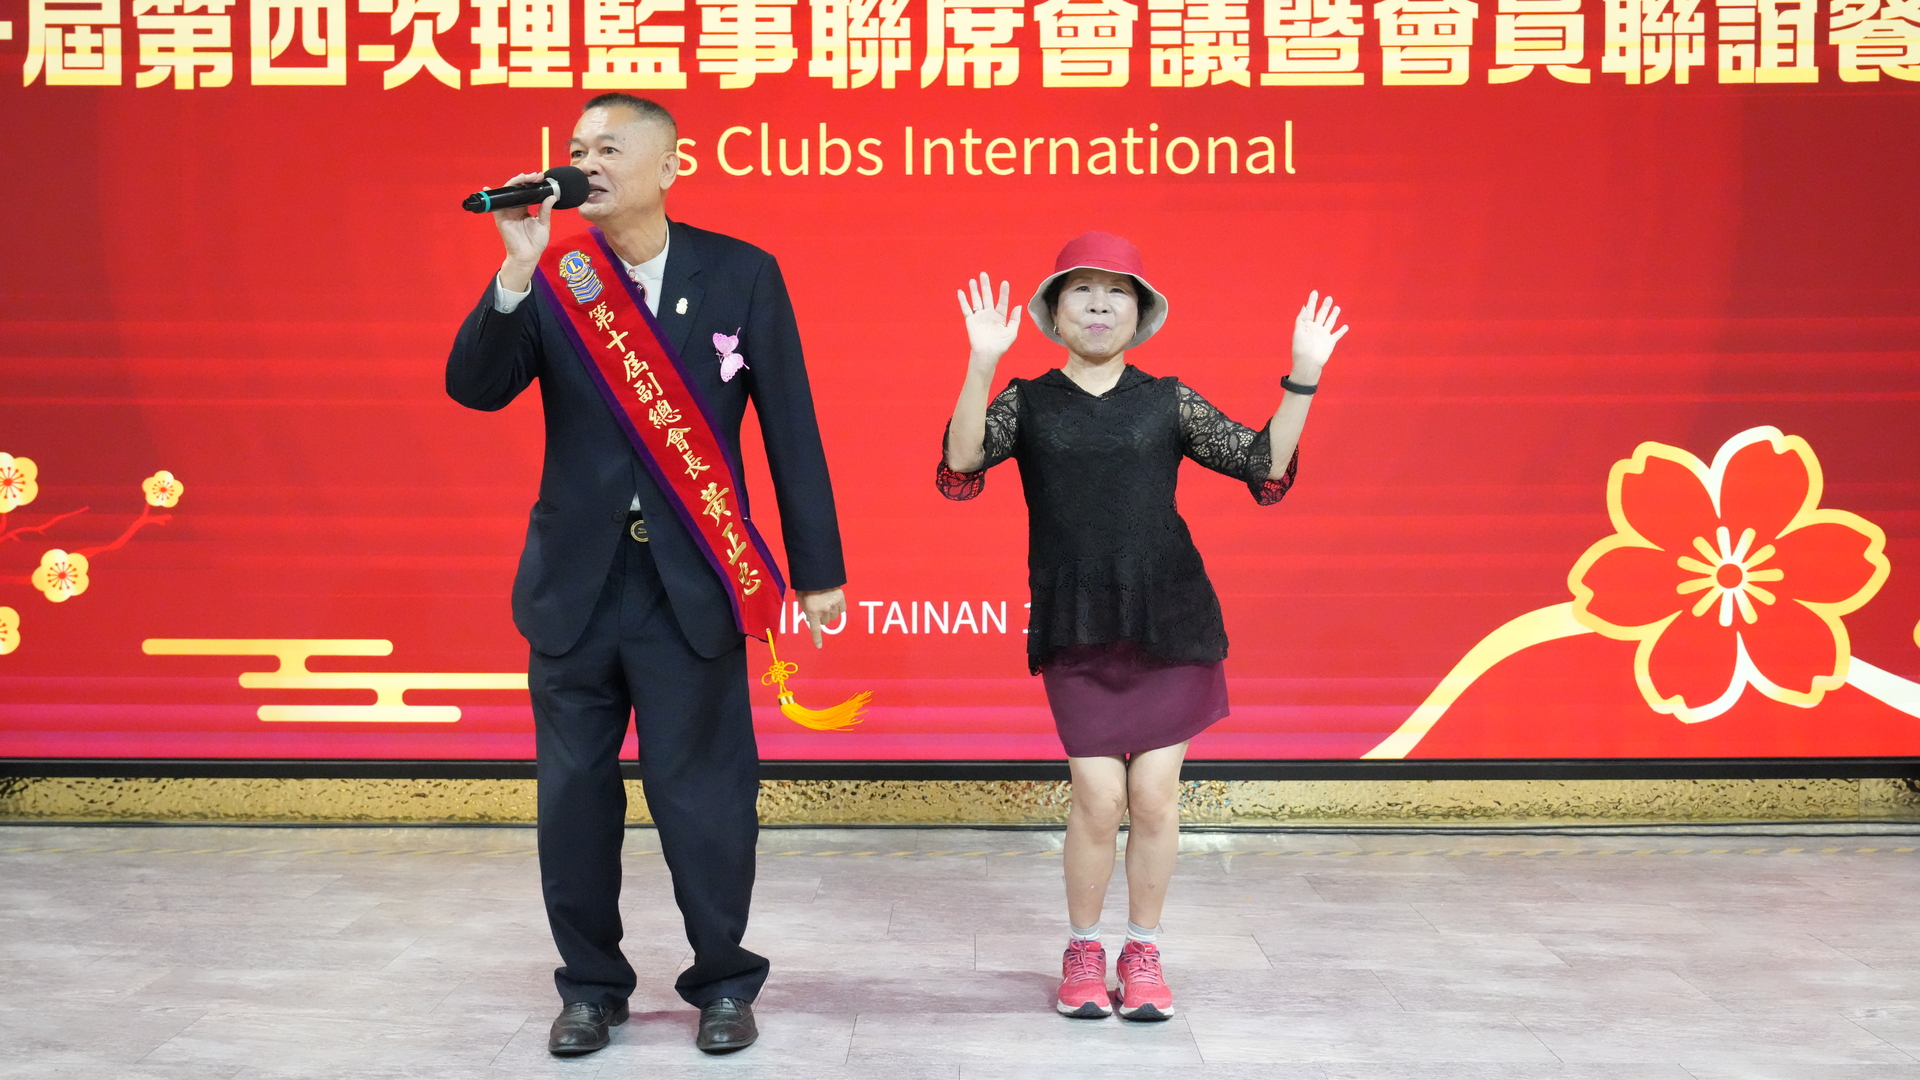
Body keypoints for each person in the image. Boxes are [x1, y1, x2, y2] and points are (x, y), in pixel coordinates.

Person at [446, 93, 847, 1057]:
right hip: (575, 587)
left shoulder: (741, 273)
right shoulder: (557, 277)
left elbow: (790, 425)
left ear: (669, 167)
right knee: (573, 799)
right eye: (576, 148)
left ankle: (724, 981)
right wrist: (515, 268)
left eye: (609, 149)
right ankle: (591, 988)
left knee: (705, 796)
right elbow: (475, 388)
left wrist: (817, 568)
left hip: (690, 583)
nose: (585, 163)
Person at [937, 232, 1346, 1021]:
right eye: (1081, 290)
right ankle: (1083, 950)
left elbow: (1263, 465)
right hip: (1077, 623)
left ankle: (1143, 951)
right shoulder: (1029, 401)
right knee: (1097, 799)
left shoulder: (1168, 400)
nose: (1099, 304)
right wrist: (981, 363)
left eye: (1117, 291)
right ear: (1055, 311)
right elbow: (961, 465)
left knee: (1154, 798)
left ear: (1140, 312)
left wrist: (1304, 375)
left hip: (1171, 619)